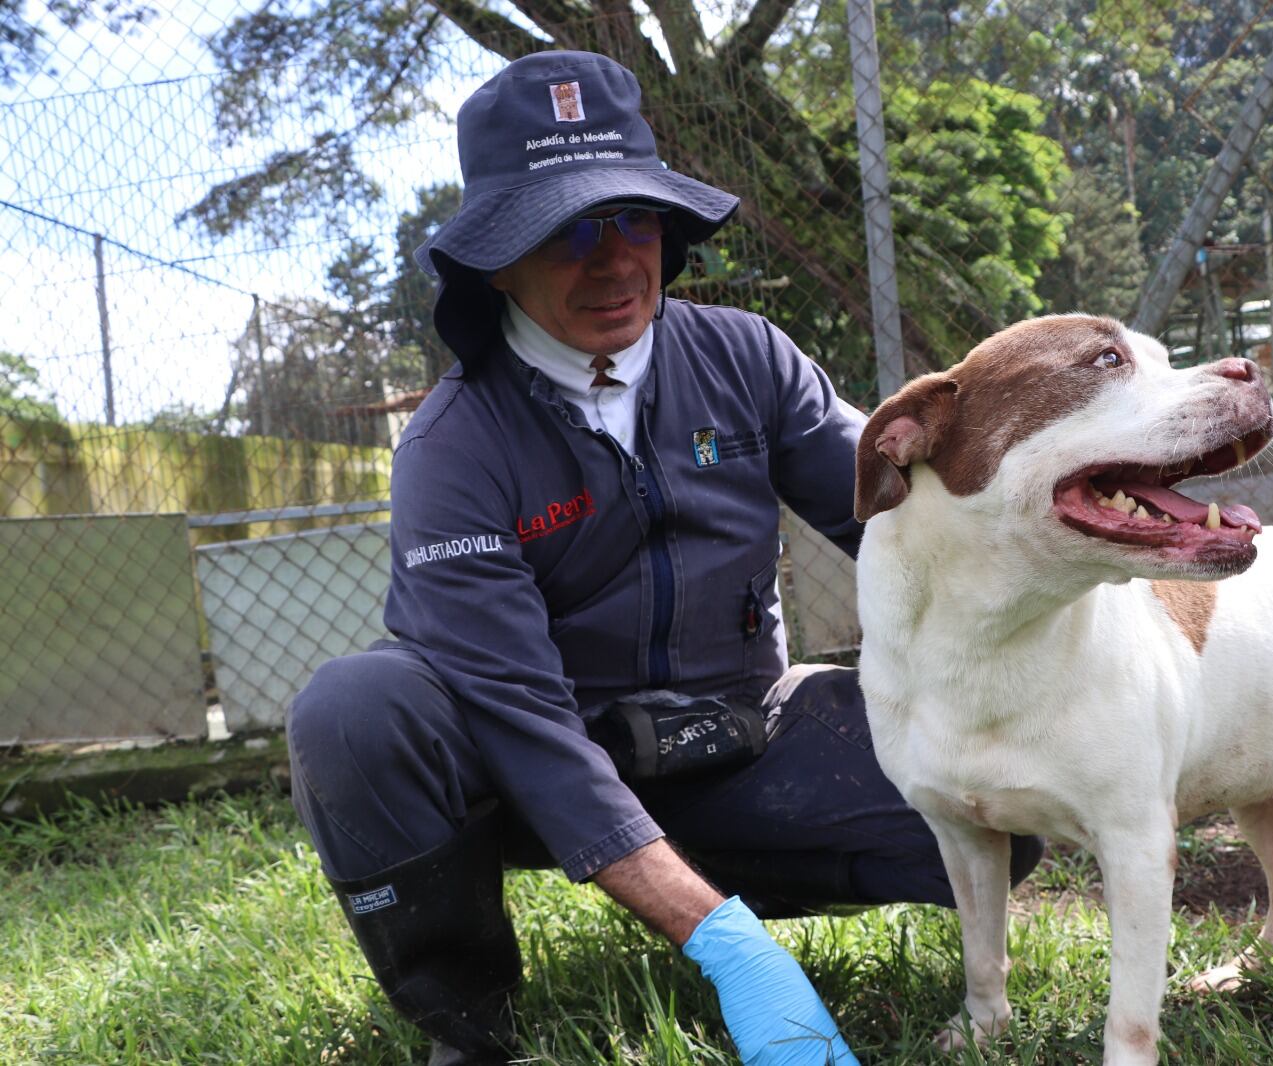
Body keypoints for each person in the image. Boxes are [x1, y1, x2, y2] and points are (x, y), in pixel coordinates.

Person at [286, 50, 1043, 1065]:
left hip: (732, 742)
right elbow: (521, 719)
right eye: (562, 234)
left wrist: (1080, 538)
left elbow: (908, 525)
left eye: (628, 220)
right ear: (497, 260)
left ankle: (719, 866)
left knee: (998, 796)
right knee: (356, 710)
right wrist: (732, 951)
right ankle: (469, 1030)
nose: (610, 262)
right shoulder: (452, 447)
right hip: (536, 780)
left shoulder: (747, 357)